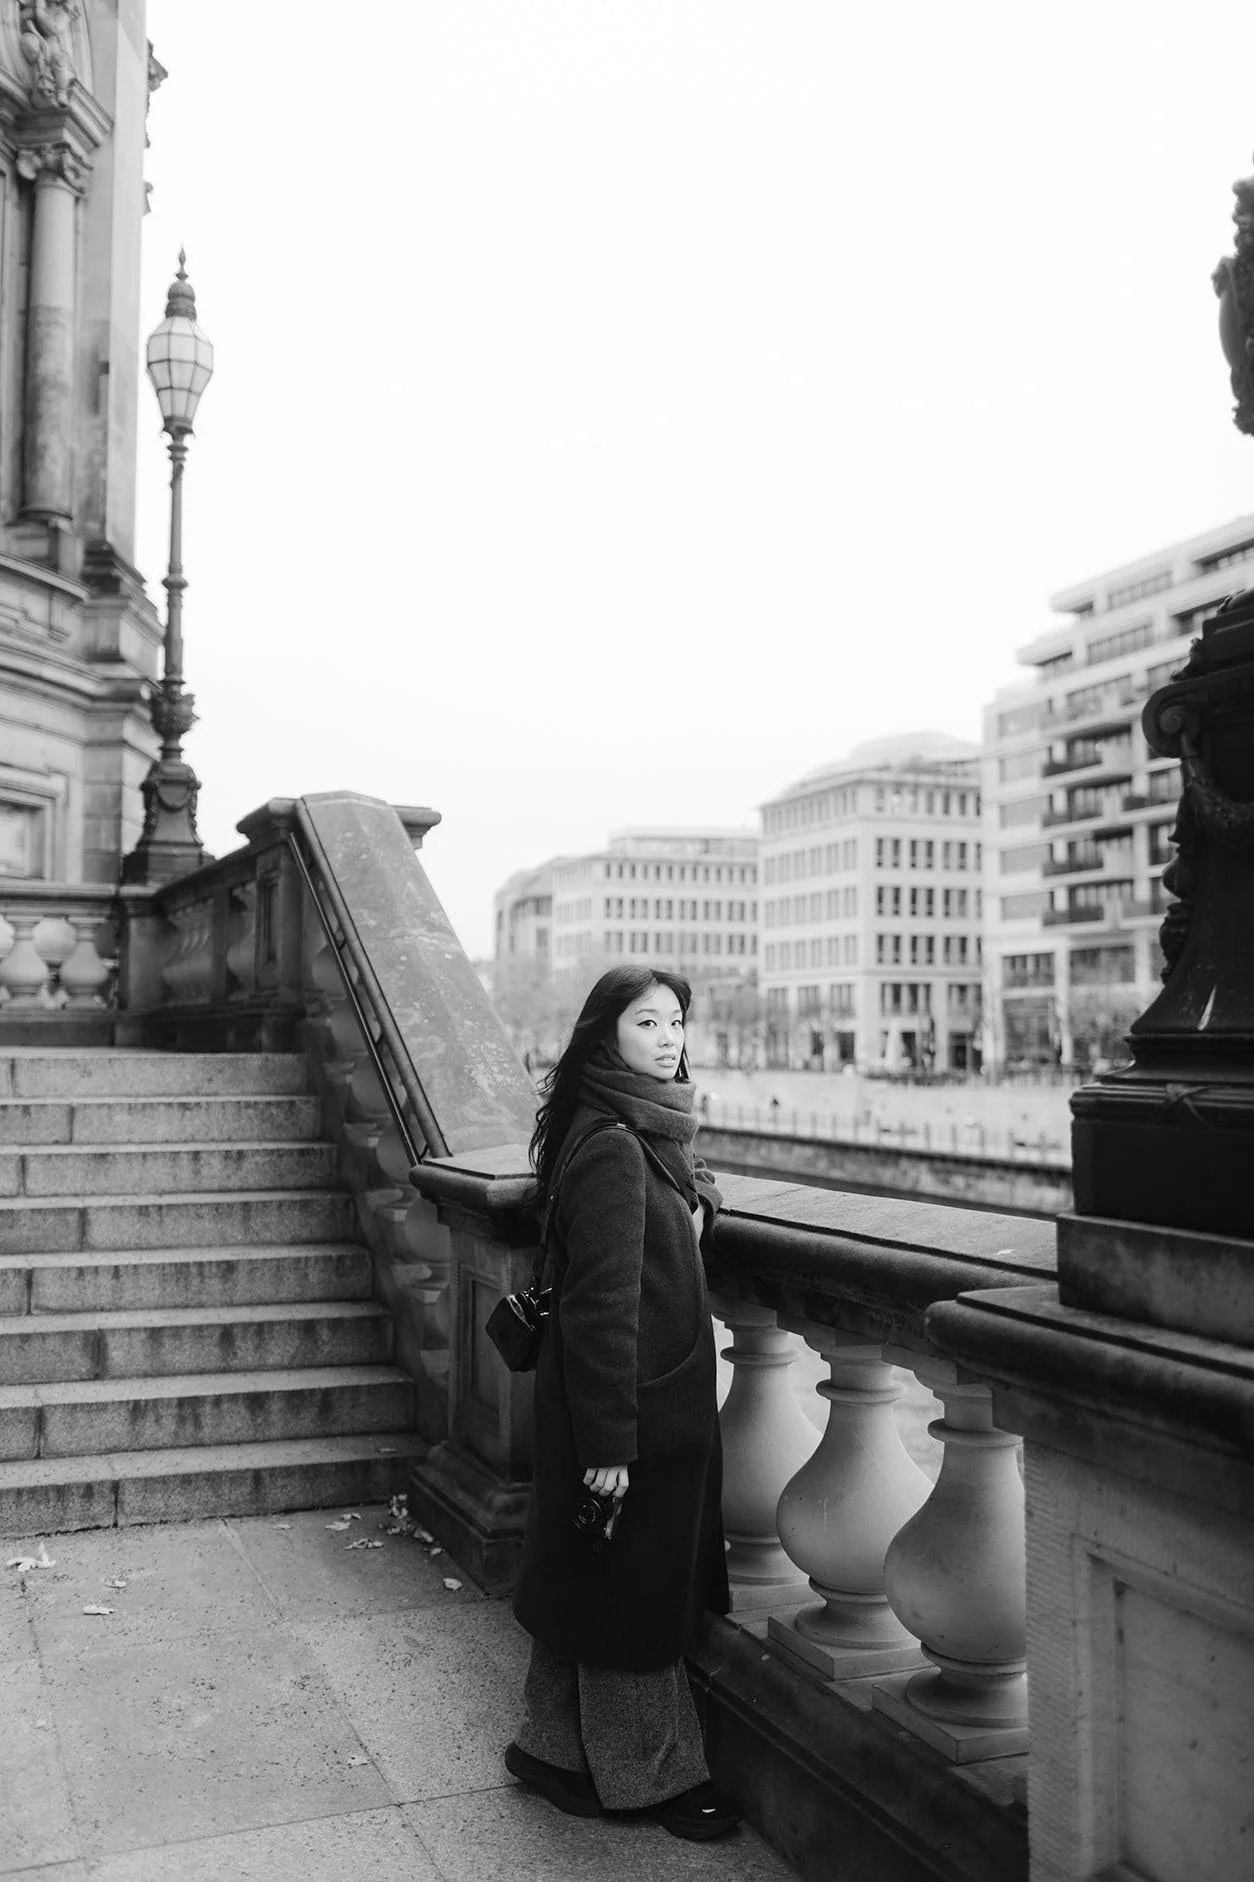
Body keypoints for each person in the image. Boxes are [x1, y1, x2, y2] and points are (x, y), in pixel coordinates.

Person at [505, 965, 738, 1842]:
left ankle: (548, 1748)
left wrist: (701, 1204)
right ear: (609, 1036)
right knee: (632, 1596)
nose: (670, 1037)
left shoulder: (634, 1126)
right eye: (649, 1023)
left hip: (638, 1398)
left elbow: (688, 1183)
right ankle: (651, 1778)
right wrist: (611, 1443)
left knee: (590, 1573)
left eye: (676, 1021)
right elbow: (603, 1306)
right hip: (629, 1406)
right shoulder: (612, 1143)